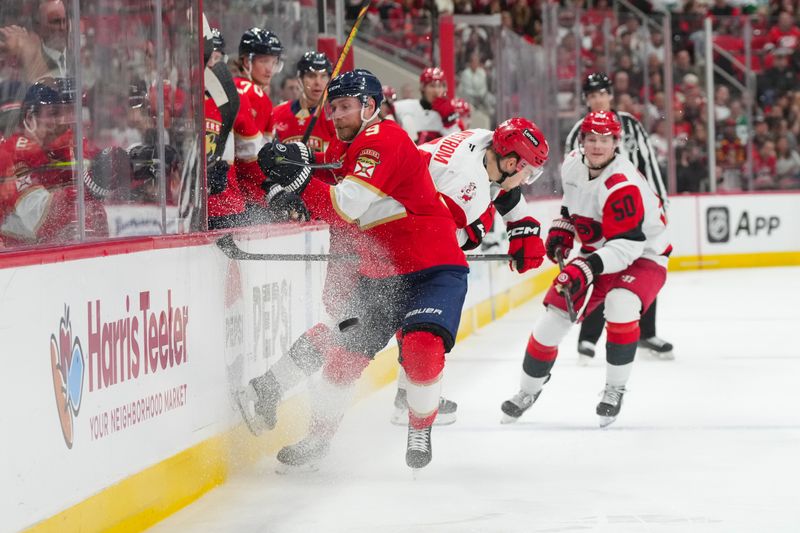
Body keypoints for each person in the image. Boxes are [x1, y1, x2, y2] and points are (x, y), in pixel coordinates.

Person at [239, 69, 469, 470]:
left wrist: (301, 180)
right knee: (342, 355)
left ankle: (419, 425)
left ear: (370, 107)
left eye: (345, 106)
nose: (336, 115)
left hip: (432, 270)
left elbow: (346, 205)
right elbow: (344, 210)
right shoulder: (356, 150)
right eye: (333, 108)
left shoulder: (382, 139)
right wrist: (286, 188)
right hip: (381, 275)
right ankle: (317, 437)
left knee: (420, 350)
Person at [501, 111, 670, 427]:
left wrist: (586, 269)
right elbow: (573, 202)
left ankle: (615, 388)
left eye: (605, 140)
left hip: (644, 255)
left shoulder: (622, 184)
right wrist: (563, 227)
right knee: (552, 321)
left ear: (615, 143)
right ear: (582, 141)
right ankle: (527, 391)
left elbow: (628, 246)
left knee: (621, 305)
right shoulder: (573, 164)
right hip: (601, 251)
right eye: (591, 139)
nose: (597, 146)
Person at [389, 117, 550, 425]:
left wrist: (521, 225)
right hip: (392, 228)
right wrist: (474, 233)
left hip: (398, 214)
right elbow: (438, 239)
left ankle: (406, 394)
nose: (525, 179)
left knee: (415, 308)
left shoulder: (484, 140)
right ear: (512, 162)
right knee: (421, 308)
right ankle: (408, 399)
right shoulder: (466, 182)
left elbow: (502, 185)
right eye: (527, 173)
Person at [565, 72, 673, 362]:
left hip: (635, 209)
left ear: (610, 95)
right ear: (587, 99)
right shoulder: (579, 131)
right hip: (598, 215)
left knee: (643, 264)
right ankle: (588, 338)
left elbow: (648, 163)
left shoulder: (631, 125)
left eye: (602, 93)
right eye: (592, 95)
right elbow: (572, 176)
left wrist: (661, 202)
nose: (598, 99)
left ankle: (646, 333)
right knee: (601, 269)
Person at [0, 78, 108, 245]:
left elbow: (110, 169)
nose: (64, 121)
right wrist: (90, 185)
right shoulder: (12, 152)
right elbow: (42, 217)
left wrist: (127, 164)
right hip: (16, 261)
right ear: (30, 117)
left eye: (69, 112)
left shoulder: (67, 145)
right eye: (54, 113)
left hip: (60, 255)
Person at [271, 51, 337, 154]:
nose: (318, 82)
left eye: (323, 76)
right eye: (311, 76)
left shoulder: (336, 117)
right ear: (300, 79)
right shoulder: (277, 113)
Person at [393, 67, 462, 144]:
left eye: (440, 86)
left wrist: (449, 121)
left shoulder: (448, 114)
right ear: (423, 87)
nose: (436, 91)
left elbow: (458, 144)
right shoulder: (405, 106)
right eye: (432, 86)